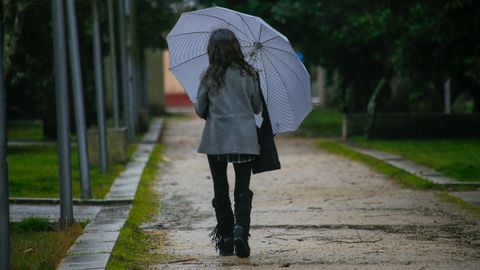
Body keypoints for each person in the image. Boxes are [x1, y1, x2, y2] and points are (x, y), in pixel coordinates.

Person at [194, 28, 263, 258]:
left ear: (212, 51)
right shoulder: (250, 74)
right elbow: (257, 107)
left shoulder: (208, 76)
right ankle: (241, 232)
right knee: (242, 189)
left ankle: (225, 238)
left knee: (220, 189)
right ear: (236, 48)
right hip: (244, 140)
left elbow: (200, 109)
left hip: (217, 141)